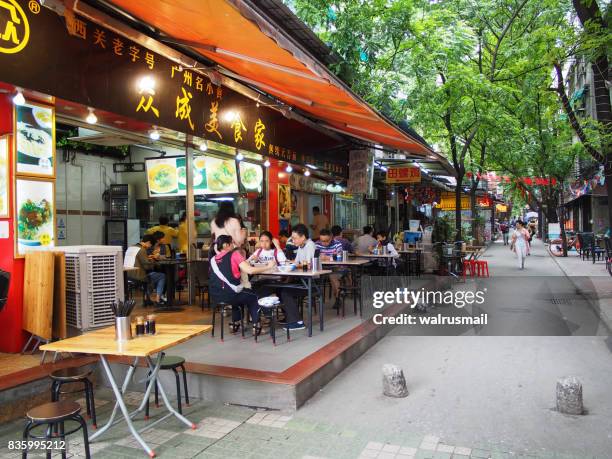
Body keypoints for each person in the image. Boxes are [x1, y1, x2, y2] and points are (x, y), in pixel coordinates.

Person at [209, 235, 276, 335]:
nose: (233, 245)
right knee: (254, 297)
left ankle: (235, 324)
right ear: (226, 245)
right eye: (232, 243)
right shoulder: (234, 254)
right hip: (231, 294)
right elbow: (250, 270)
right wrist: (268, 266)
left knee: (240, 295)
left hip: (216, 296)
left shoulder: (213, 259)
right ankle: (256, 327)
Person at [279, 224, 315, 330]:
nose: (293, 241)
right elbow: (297, 262)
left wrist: (293, 265)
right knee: (281, 289)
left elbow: (308, 265)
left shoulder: (310, 245)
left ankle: (297, 322)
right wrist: (288, 263)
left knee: (286, 292)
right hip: (302, 280)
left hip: (311, 282)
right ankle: (291, 318)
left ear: (303, 237)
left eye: (294, 238)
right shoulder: (301, 246)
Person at [128, 234, 166, 304]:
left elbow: (137, 260)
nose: (149, 247)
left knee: (152, 276)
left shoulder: (131, 247)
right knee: (161, 276)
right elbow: (147, 267)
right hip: (138, 276)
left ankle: (147, 297)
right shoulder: (142, 250)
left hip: (128, 276)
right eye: (150, 245)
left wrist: (148, 258)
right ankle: (158, 299)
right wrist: (153, 260)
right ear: (148, 242)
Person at [315, 229, 344, 308]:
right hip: (321, 268)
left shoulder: (337, 244)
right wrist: (331, 257)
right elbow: (315, 257)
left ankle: (337, 298)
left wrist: (326, 257)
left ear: (331, 238)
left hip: (335, 267)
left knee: (333, 277)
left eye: (326, 241)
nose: (324, 243)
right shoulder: (317, 244)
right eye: (322, 241)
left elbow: (339, 257)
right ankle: (312, 298)